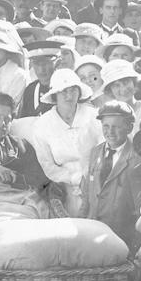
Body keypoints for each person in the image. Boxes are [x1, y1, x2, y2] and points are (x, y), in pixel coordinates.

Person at [30, 68, 101, 216]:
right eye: (63, 91)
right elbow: (47, 165)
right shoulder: (42, 125)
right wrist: (74, 179)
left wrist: (89, 179)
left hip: (97, 181)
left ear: (79, 92)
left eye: (73, 90)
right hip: (63, 186)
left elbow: (104, 151)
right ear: (55, 95)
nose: (69, 96)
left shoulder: (94, 116)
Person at [80, 100, 139, 248]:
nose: (110, 132)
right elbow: (87, 194)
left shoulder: (137, 158)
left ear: (129, 128)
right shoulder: (95, 152)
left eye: (116, 127)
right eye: (106, 126)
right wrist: (80, 223)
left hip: (122, 237)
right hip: (92, 232)